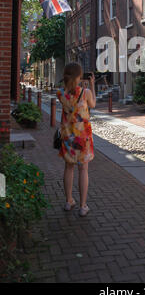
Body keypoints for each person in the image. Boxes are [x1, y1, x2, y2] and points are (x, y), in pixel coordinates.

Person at [56, 63, 96, 217]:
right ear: (79, 76)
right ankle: (83, 205)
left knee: (68, 168)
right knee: (83, 169)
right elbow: (93, 105)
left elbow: (69, 94)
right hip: (83, 137)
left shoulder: (60, 94)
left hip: (67, 136)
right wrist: (91, 85)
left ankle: (68, 201)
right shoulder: (85, 93)